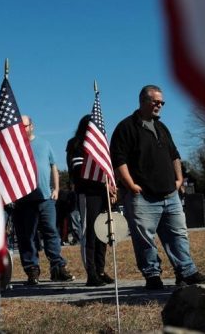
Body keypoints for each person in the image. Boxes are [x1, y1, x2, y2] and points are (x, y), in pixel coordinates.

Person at [110, 85, 205, 290]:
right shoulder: (126, 127)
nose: (160, 105)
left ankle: (186, 272)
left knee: (178, 235)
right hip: (143, 196)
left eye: (162, 102)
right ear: (143, 101)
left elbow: (174, 155)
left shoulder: (161, 128)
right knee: (144, 239)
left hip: (170, 194)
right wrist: (130, 185)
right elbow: (119, 159)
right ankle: (152, 276)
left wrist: (179, 179)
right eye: (156, 101)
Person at [13, 115, 75, 285]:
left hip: (46, 198)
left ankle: (58, 267)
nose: (22, 129)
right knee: (28, 236)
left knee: (51, 232)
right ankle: (32, 270)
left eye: (24, 126)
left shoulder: (44, 144)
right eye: (19, 127)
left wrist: (56, 188)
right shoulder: (16, 147)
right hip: (24, 200)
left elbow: (53, 166)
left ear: (32, 126)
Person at [67, 115, 115, 287]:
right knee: (90, 234)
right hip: (87, 194)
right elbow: (79, 170)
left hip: (102, 194)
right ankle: (92, 273)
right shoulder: (76, 144)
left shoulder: (101, 146)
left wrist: (110, 186)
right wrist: (102, 184)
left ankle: (101, 270)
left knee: (103, 233)